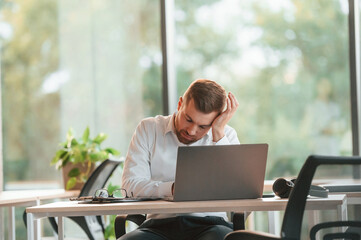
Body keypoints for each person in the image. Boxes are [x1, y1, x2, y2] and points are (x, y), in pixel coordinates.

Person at [120, 79, 240, 240]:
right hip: (158, 226)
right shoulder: (149, 129)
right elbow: (130, 186)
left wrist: (218, 132)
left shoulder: (226, 135)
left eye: (203, 126)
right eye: (188, 119)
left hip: (211, 225)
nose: (191, 131)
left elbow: (239, 189)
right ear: (179, 104)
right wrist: (173, 189)